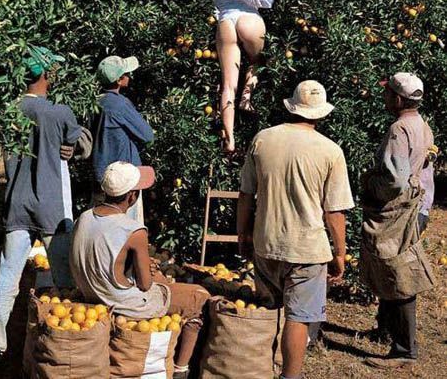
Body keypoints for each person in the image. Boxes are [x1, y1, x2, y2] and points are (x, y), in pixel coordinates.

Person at [238, 80, 354, 379]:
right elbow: (334, 212)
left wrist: (243, 235)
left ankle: (258, 368)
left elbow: (246, 194)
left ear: (292, 106)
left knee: (268, 311)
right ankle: (290, 376)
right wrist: (339, 254)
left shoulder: (263, 139)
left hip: (267, 240)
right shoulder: (330, 151)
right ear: (320, 113)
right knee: (298, 318)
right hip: (307, 248)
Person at [70, 161, 210, 379]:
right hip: (124, 303)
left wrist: (139, 267)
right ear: (132, 196)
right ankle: (181, 369)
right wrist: (147, 269)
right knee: (198, 298)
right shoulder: (133, 230)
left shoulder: (84, 218)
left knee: (165, 282)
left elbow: (105, 258)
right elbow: (145, 284)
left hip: (93, 294)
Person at [0, 46, 91, 362]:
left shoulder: (9, 111)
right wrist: (72, 147)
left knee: (7, 277)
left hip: (16, 204)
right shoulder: (59, 112)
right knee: (64, 278)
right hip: (53, 207)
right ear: (47, 75)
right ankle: (62, 344)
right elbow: (80, 143)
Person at [360, 72, 436, 371]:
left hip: (399, 211)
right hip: (417, 207)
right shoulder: (422, 125)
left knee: (399, 274)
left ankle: (405, 349)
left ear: (398, 99)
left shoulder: (398, 128)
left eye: (388, 93)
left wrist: (369, 185)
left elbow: (393, 180)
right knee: (390, 268)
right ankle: (386, 329)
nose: (384, 96)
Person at [213, 0, 297, 152]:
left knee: (228, 84)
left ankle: (229, 137)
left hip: (225, 23)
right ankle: (247, 98)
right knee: (258, 60)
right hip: (246, 19)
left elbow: (213, 4)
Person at [92, 55, 154, 224]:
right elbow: (147, 136)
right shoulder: (120, 104)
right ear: (119, 80)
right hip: (124, 179)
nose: (129, 76)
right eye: (126, 73)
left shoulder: (95, 102)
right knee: (125, 229)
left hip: (100, 175)